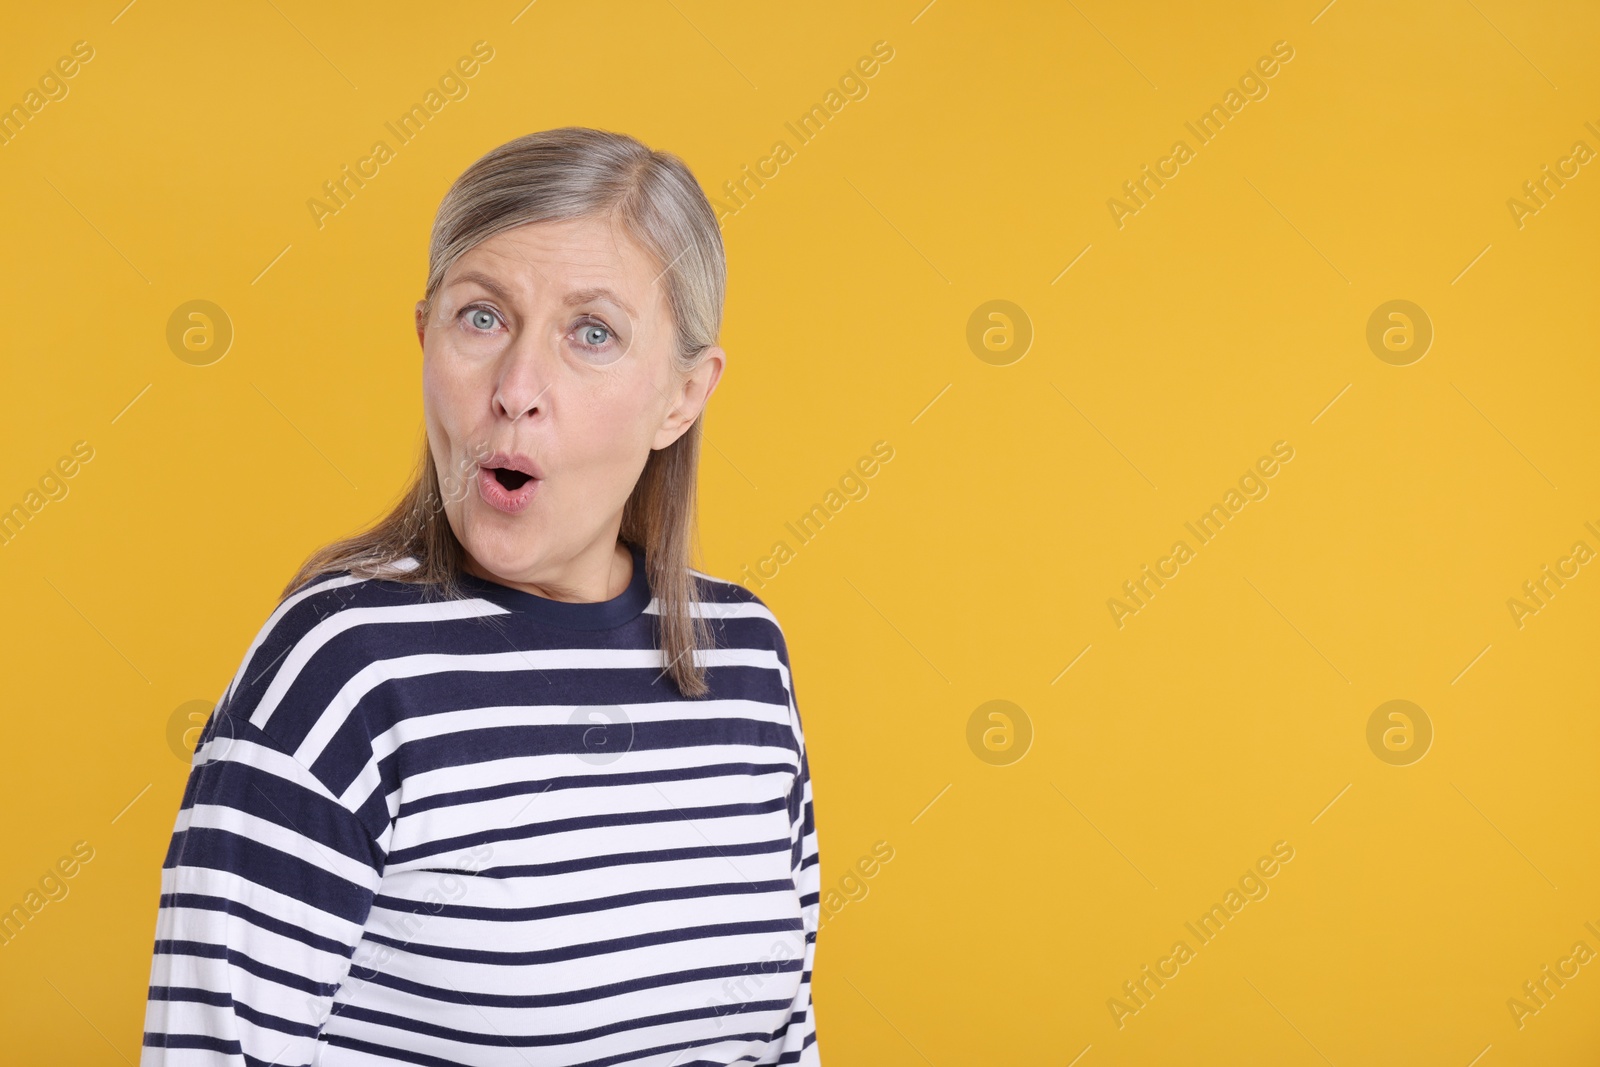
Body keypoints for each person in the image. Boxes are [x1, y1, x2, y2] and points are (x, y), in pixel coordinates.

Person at [139, 127, 821, 1066]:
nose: (517, 390)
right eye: (482, 316)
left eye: (593, 333)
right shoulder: (340, 670)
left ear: (683, 396)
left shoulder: (744, 655)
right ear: (425, 337)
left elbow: (783, 1041)